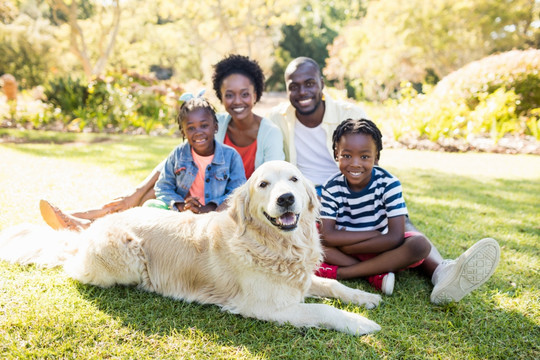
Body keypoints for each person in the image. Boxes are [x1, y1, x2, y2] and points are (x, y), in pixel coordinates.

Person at [269, 57, 500, 304]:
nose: (302, 91)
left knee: (403, 227)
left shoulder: (349, 113)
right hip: (312, 196)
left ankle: (441, 272)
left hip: (354, 184)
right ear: (287, 88)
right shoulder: (278, 118)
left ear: (322, 84)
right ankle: (375, 271)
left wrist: (370, 203)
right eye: (294, 86)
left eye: (309, 83)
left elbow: (369, 158)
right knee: (314, 235)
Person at [40, 54, 283, 229]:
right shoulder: (216, 122)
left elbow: (270, 186)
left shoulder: (269, 132)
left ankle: (90, 221)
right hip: (196, 198)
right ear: (221, 96)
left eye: (244, 94)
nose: (237, 101)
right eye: (229, 94)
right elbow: (177, 159)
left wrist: (214, 207)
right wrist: (137, 193)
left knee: (148, 203)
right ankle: (91, 219)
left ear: (256, 94)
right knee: (150, 199)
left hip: (235, 206)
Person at [315, 118, 431, 295]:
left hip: (379, 248)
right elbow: (327, 235)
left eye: (364, 156)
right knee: (310, 236)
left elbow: (395, 237)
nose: (355, 163)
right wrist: (370, 234)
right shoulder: (331, 187)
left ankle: (343, 273)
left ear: (376, 157)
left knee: (420, 245)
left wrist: (351, 247)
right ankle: (373, 274)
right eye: (346, 156)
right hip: (342, 248)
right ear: (336, 155)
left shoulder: (389, 184)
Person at [145, 94, 245, 213]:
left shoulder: (231, 156)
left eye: (204, 126)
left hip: (217, 214)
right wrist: (181, 205)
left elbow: (237, 192)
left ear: (215, 127)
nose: (198, 132)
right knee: (150, 205)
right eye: (191, 128)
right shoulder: (178, 154)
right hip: (184, 213)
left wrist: (210, 207)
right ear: (183, 132)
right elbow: (163, 187)